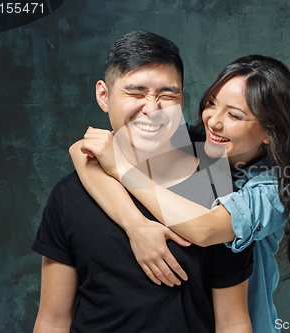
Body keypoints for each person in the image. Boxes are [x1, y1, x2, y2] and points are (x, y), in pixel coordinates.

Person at [71, 55, 290, 333]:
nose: (213, 122)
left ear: (270, 131)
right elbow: (84, 150)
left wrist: (122, 169)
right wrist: (136, 225)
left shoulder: (273, 191)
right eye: (212, 104)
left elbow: (204, 228)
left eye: (234, 115)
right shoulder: (195, 143)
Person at [32, 31, 254, 333]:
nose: (152, 108)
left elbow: (233, 321)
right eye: (135, 94)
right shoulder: (68, 195)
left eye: (167, 95)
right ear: (103, 96)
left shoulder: (216, 186)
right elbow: (53, 319)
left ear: (181, 99)